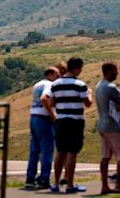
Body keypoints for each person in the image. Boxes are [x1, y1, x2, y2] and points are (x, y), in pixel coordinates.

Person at [42, 56, 93, 193]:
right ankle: (70, 184)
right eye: (80, 68)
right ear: (76, 68)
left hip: (61, 120)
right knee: (72, 152)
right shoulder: (80, 85)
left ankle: (56, 183)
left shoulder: (56, 84)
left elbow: (52, 103)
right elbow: (88, 104)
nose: (81, 71)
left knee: (60, 152)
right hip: (75, 121)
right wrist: (89, 94)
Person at [95, 61, 120, 195]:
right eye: (116, 70)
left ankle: (104, 186)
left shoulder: (99, 85)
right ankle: (118, 185)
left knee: (105, 156)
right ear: (110, 71)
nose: (117, 73)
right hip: (114, 126)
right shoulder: (111, 87)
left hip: (102, 125)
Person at [25, 66, 60, 190]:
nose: (58, 77)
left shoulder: (37, 84)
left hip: (34, 117)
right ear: (50, 74)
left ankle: (30, 178)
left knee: (34, 151)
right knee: (47, 150)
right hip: (44, 119)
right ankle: (44, 179)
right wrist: (53, 115)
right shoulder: (50, 85)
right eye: (57, 75)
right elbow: (44, 99)